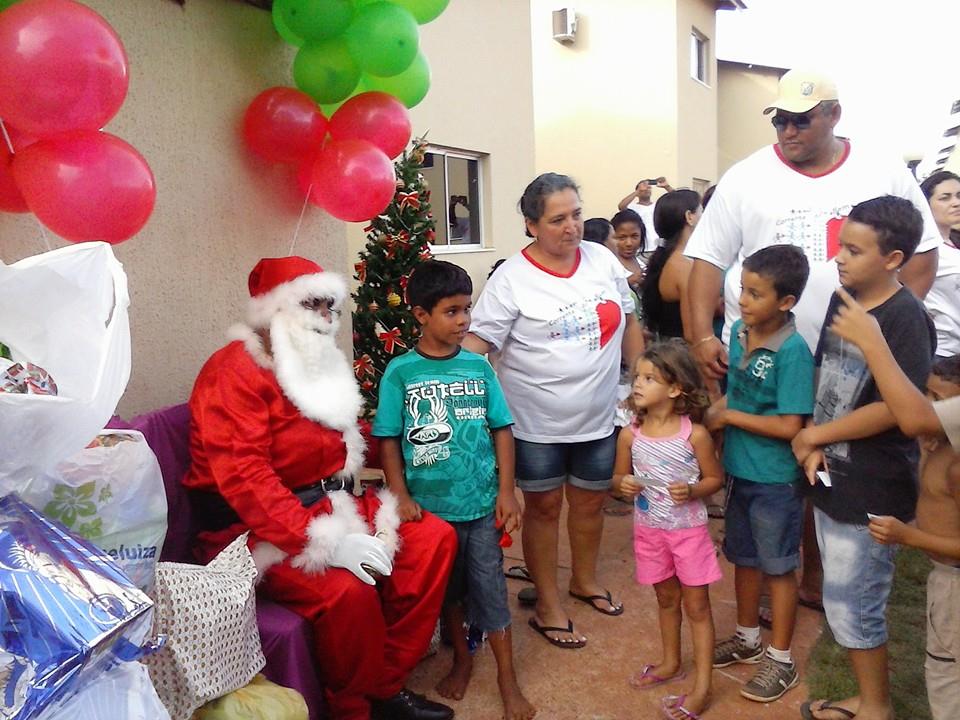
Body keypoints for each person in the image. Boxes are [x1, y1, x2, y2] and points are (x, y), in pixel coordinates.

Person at [684, 67, 941, 614]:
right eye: (779, 120)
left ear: (833, 115)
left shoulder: (881, 167)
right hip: (763, 358)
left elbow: (922, 256)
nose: (788, 131)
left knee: (830, 463)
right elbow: (704, 260)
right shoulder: (745, 176)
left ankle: (817, 576)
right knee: (767, 468)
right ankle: (767, 572)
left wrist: (890, 327)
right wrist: (702, 335)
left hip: (853, 356)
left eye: (800, 120)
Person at [184, 256, 457, 720]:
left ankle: (382, 687)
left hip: (332, 501)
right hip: (257, 528)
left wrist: (411, 434)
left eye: (330, 307)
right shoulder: (233, 371)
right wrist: (322, 543)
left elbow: (337, 435)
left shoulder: (312, 362)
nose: (326, 319)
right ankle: (354, 708)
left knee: (433, 540)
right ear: (276, 310)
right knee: (346, 592)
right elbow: (246, 479)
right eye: (312, 305)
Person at [463, 172, 644, 649]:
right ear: (531, 225)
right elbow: (479, 342)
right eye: (558, 219)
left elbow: (627, 319)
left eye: (577, 214)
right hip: (535, 425)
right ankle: (547, 604)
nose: (572, 227)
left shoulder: (602, 259)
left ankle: (582, 581)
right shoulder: (512, 279)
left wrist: (644, 376)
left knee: (590, 503)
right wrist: (436, 367)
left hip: (601, 417)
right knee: (543, 511)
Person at [789, 197, 936, 720]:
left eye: (854, 250)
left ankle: (876, 707)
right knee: (841, 597)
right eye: (840, 247)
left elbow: (894, 410)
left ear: (893, 258)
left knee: (857, 603)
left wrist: (816, 436)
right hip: (833, 471)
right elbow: (827, 374)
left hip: (874, 485)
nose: (839, 258)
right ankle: (867, 698)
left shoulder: (905, 319)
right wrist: (814, 439)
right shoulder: (843, 299)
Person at [372, 261, 536, 720]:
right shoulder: (400, 372)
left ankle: (508, 679)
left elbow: (502, 429)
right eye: (452, 311)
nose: (464, 320)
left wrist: (507, 491)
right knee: (450, 593)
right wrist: (401, 496)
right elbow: (388, 439)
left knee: (491, 591)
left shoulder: (478, 367)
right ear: (421, 315)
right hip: (430, 514)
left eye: (467, 310)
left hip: (481, 506)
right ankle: (462, 660)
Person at [826, 290, 960, 720]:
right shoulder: (938, 446)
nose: (928, 408)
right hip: (944, 578)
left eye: (941, 403)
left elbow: (910, 417)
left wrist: (908, 535)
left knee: (946, 675)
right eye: (928, 395)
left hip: (954, 581)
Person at [704, 245, 814, 703]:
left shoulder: (793, 352)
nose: (743, 301)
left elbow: (790, 425)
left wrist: (728, 419)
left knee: (779, 567)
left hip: (775, 479)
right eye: (741, 290)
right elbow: (740, 395)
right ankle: (748, 638)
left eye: (754, 293)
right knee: (744, 558)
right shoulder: (738, 333)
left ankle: (781, 659)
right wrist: (715, 410)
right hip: (739, 473)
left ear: (785, 302)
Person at [613, 340, 722, 720]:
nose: (637, 385)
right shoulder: (631, 434)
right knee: (665, 599)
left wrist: (693, 490)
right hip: (650, 532)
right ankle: (671, 661)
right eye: (636, 377)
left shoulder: (695, 435)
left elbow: (714, 480)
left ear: (675, 389)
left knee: (697, 606)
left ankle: (703, 686)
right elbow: (617, 479)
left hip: (688, 534)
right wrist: (623, 485)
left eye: (649, 378)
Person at [641, 190, 702, 340]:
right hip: (682, 356)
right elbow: (691, 333)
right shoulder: (683, 266)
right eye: (702, 211)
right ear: (690, 217)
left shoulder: (670, 259)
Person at [920, 170, 960, 357]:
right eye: (945, 198)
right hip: (942, 352)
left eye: (959, 196)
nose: (956, 203)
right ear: (926, 204)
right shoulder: (921, 250)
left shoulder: (954, 244)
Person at [618, 177, 675, 248]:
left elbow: (677, 200)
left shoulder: (658, 205)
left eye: (649, 187)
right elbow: (621, 206)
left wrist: (667, 187)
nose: (646, 189)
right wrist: (638, 191)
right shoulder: (632, 207)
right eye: (643, 187)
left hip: (658, 246)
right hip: (641, 248)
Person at [610, 209, 648, 291]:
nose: (629, 243)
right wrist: (628, 282)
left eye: (634, 236)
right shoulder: (609, 265)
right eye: (622, 237)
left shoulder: (641, 263)